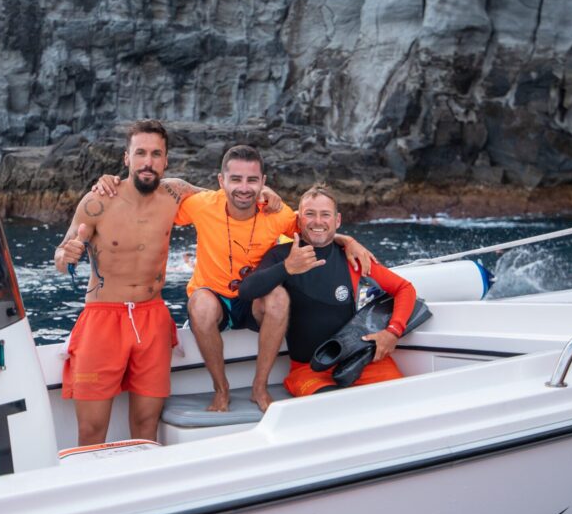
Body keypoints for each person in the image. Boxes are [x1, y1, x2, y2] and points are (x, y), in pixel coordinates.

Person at [93, 146, 375, 413]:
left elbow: (316, 229)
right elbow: (156, 192)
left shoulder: (278, 214)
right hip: (216, 302)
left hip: (254, 302)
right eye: (236, 179)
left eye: (252, 180)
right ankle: (221, 389)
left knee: (279, 297)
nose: (244, 187)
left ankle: (259, 387)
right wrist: (113, 182)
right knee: (201, 304)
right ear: (221, 180)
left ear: (263, 181)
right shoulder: (201, 205)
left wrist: (346, 239)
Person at [53, 119, 199, 446]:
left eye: (156, 154)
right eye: (141, 153)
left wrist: (265, 191)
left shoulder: (176, 194)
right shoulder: (98, 201)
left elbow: (230, 199)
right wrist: (69, 254)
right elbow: (61, 259)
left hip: (152, 317)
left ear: (166, 160)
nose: (148, 162)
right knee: (91, 432)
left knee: (147, 427)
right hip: (103, 318)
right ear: (127, 158)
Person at [237, 184, 416, 397]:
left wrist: (392, 332)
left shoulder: (351, 257)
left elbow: (404, 288)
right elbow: (247, 290)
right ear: (299, 220)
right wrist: (287, 268)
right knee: (330, 410)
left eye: (325, 215)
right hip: (309, 370)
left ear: (337, 220)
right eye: (310, 214)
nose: (318, 221)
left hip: (362, 361)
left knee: (402, 399)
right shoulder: (283, 256)